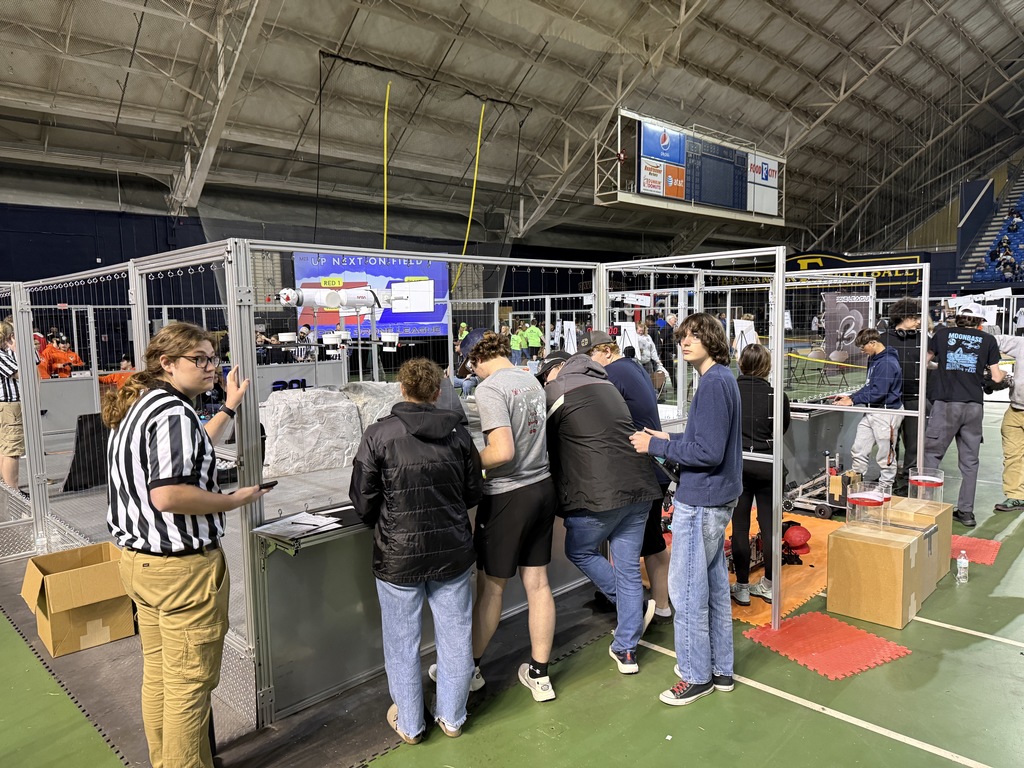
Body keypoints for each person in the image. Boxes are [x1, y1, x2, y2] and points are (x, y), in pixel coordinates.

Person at [103, 322, 270, 768]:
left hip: (141, 566)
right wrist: (231, 500)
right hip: (181, 573)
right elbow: (169, 494)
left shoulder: (142, 404)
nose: (211, 368)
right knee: (189, 688)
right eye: (200, 360)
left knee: (161, 677)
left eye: (212, 359)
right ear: (167, 363)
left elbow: (192, 450)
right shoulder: (173, 413)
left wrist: (230, 407)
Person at [350, 358, 482, 744]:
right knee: (456, 635)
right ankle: (453, 717)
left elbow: (362, 500)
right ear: (438, 391)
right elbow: (473, 490)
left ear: (402, 389)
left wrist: (388, 523)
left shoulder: (378, 435)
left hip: (398, 555)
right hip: (452, 551)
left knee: (401, 640)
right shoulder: (458, 434)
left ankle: (410, 724)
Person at [438, 328, 558, 702]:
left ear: (476, 358)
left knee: (491, 587)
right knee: (537, 584)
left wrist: (466, 462)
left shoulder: (489, 390)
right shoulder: (531, 381)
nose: (470, 373)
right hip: (542, 488)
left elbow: (502, 452)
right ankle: (540, 675)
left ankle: (468, 668)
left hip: (508, 496)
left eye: (470, 366)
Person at [629, 313, 742, 707]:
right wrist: (668, 436)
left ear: (712, 340)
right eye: (682, 337)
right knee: (711, 587)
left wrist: (656, 447)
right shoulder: (721, 379)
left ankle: (696, 676)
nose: (685, 342)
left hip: (702, 499)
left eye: (694, 336)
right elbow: (705, 439)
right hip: (717, 496)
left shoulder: (713, 384)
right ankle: (720, 669)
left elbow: (707, 453)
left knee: (686, 591)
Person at [541, 349, 661, 674]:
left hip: (600, 495)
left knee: (578, 549)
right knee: (627, 568)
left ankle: (633, 607)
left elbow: (543, 445)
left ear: (555, 370)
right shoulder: (607, 384)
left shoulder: (557, 390)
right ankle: (626, 650)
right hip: (640, 487)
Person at [581, 329, 672, 624]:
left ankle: (655, 606)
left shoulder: (613, 374)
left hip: (644, 470)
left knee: (646, 542)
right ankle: (645, 601)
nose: (590, 364)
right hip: (653, 465)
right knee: (644, 539)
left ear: (606, 351)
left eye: (592, 356)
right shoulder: (630, 366)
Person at [923, 303, 1003, 527]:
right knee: (970, 462)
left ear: (956, 318)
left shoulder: (942, 334)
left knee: (932, 456)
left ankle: (927, 508)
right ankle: (966, 512)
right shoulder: (988, 340)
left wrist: (943, 367)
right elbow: (996, 378)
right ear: (979, 322)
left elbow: (925, 361)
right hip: (973, 407)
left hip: (947, 404)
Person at [730, 344, 791, 606]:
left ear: (741, 364)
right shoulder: (777, 396)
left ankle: (742, 586)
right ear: (767, 366)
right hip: (768, 465)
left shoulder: (731, 392)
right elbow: (782, 429)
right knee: (770, 529)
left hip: (739, 466)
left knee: (740, 528)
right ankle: (767, 584)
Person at [832, 329, 904, 486]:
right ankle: (856, 484)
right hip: (872, 411)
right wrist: (850, 397)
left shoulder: (887, 363)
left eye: (863, 347)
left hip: (886, 413)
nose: (862, 351)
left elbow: (879, 392)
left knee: (886, 455)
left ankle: (885, 489)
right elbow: (869, 386)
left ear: (873, 343)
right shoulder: (875, 359)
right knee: (859, 448)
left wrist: (853, 400)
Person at [880, 298, 924, 495]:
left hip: (916, 396)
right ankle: (888, 475)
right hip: (891, 399)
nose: (918, 322)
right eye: (914, 318)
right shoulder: (883, 339)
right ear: (902, 317)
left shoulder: (923, 339)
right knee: (890, 440)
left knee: (914, 442)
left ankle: (908, 479)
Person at [992, 331, 1024, 512]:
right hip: (1016, 409)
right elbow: (992, 341)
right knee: (1012, 456)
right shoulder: (1021, 343)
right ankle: (1016, 496)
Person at [0, 321, 29, 500]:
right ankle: (13, 493)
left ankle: (7, 489)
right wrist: (18, 350)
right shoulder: (2, 356)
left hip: (7, 407)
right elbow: (22, 374)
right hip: (9, 406)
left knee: (5, 448)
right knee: (12, 450)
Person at [658, 314, 678, 392]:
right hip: (665, 354)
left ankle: (662, 388)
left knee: (669, 371)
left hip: (669, 353)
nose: (675, 320)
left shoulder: (670, 329)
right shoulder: (666, 329)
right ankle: (662, 388)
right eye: (674, 319)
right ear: (669, 320)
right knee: (669, 371)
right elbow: (661, 340)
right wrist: (660, 353)